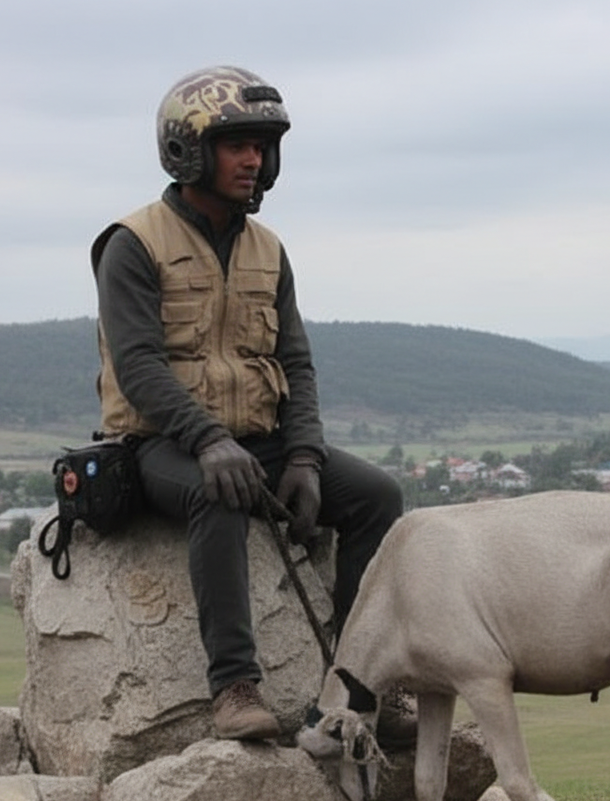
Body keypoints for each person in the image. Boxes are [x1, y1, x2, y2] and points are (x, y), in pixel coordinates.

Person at [92, 65, 407, 742]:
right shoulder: (133, 243)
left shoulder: (269, 249)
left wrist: (302, 455)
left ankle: (359, 684)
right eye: (238, 145)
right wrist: (208, 439)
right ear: (188, 150)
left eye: (262, 147)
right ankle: (235, 687)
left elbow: (294, 361)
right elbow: (139, 365)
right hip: (161, 445)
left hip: (258, 438)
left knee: (378, 494)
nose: (254, 159)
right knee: (219, 493)